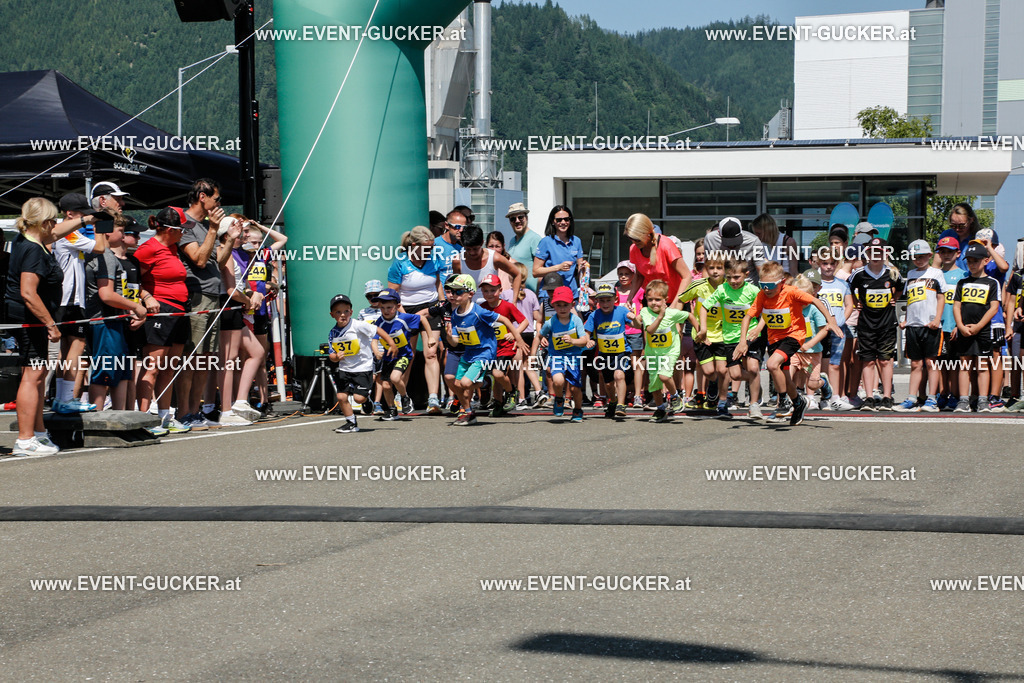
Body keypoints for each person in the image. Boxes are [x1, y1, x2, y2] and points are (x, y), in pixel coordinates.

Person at [7, 198, 96, 456]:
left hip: (33, 318)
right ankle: (25, 439)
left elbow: (58, 232)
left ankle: (38, 432)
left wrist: (86, 219)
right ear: (44, 222)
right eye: (53, 219)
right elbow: (28, 292)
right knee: (33, 375)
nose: (56, 224)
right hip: (30, 318)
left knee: (37, 374)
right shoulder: (34, 249)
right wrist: (50, 324)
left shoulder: (32, 239)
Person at [735, 261, 841, 426]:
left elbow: (816, 301)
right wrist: (743, 341)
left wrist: (831, 321)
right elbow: (748, 316)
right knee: (785, 376)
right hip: (775, 338)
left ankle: (783, 400)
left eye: (770, 285)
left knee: (771, 364)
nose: (767, 289)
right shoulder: (763, 295)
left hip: (794, 336)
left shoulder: (791, 292)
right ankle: (798, 402)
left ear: (781, 282)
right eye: (763, 284)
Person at [134, 207, 193, 434]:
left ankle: (164, 415)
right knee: (153, 367)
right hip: (160, 309)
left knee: (169, 367)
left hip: (180, 310)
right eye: (181, 230)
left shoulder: (173, 247)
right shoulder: (148, 249)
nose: (184, 234)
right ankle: (143, 417)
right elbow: (130, 279)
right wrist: (146, 297)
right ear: (169, 229)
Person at [83, 217, 149, 411]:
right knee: (104, 374)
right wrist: (136, 307)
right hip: (103, 321)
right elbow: (107, 294)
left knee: (121, 373)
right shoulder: (104, 256)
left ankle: (121, 418)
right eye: (121, 231)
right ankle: (96, 419)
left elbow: (119, 292)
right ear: (108, 233)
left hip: (117, 321)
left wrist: (130, 310)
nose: (123, 236)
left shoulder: (109, 256)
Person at [443, 274, 527, 426]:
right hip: (469, 354)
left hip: (484, 353)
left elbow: (505, 320)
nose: (454, 295)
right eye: (452, 292)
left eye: (458, 292)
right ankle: (469, 413)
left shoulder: (479, 311)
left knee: (466, 383)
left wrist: (518, 339)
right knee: (456, 384)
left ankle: (489, 384)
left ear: (470, 294)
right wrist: (449, 337)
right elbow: (456, 343)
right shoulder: (455, 315)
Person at [176, 178, 227, 427]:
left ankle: (196, 412)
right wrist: (214, 230)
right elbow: (198, 259)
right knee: (192, 357)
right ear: (202, 197)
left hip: (213, 294)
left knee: (206, 358)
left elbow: (217, 257)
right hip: (196, 296)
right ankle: (184, 411)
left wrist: (229, 239)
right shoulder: (185, 225)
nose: (219, 204)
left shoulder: (208, 226)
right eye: (217, 199)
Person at [54, 192, 108, 413]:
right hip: (70, 299)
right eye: (82, 215)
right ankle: (66, 398)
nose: (87, 218)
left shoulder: (65, 233)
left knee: (65, 350)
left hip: (65, 299)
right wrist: (100, 225)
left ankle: (60, 397)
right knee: (76, 346)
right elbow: (101, 247)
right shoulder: (68, 234)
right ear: (69, 214)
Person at [388, 225, 445, 414]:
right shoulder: (400, 263)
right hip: (407, 311)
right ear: (413, 245)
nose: (430, 251)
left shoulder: (434, 260)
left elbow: (438, 284)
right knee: (408, 355)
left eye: (432, 247)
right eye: (426, 248)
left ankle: (433, 399)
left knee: (431, 352)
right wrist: (405, 315)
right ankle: (401, 396)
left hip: (431, 308)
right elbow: (393, 294)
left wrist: (441, 304)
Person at [216, 217, 264, 427]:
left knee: (257, 352)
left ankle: (240, 401)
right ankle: (226, 410)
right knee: (229, 359)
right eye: (241, 231)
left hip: (237, 307)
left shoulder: (240, 254)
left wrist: (252, 294)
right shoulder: (224, 253)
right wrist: (247, 300)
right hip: (228, 307)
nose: (245, 234)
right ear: (228, 234)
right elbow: (229, 290)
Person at [848, 238, 904, 411]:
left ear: (885, 252)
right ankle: (869, 397)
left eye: (879, 251)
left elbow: (901, 287)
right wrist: (856, 302)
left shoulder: (892, 273)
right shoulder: (859, 274)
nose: (876, 255)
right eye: (872, 252)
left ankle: (887, 396)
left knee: (885, 361)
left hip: (886, 324)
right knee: (867, 361)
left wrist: (894, 299)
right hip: (866, 324)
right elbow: (848, 289)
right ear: (867, 253)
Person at [704, 259, 765, 419]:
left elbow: (767, 310)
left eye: (737, 277)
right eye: (729, 277)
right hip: (730, 338)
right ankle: (755, 382)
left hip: (751, 335)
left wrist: (758, 328)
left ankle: (754, 406)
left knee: (752, 368)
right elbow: (704, 307)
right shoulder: (722, 290)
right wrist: (703, 328)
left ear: (746, 275)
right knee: (736, 375)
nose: (733, 281)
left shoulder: (752, 290)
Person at [328, 294, 396, 433]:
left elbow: (378, 330)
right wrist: (336, 357)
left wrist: (391, 343)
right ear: (332, 315)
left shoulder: (358, 325)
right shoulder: (333, 333)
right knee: (341, 396)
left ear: (351, 312)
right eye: (338, 312)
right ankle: (351, 423)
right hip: (345, 368)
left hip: (362, 367)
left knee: (359, 399)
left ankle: (367, 401)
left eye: (346, 311)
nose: (343, 315)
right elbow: (331, 355)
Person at [628, 279, 692, 423]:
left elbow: (689, 316)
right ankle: (660, 409)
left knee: (664, 376)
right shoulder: (644, 311)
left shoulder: (670, 313)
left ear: (665, 300)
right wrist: (634, 319)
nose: (654, 303)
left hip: (670, 351)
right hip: (653, 354)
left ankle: (675, 397)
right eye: (650, 299)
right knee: (655, 386)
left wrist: (701, 331)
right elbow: (639, 324)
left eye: (658, 300)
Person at [894, 240, 945, 412]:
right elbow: (910, 301)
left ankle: (932, 399)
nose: (919, 259)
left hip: (930, 325)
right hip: (913, 326)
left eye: (922, 256)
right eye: (915, 257)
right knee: (915, 364)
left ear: (930, 255)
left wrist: (937, 319)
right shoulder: (911, 274)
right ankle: (911, 398)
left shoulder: (936, 273)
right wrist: (906, 319)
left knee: (931, 363)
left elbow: (941, 297)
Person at [952, 241, 1001, 413]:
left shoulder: (992, 283)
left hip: (983, 330)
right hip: (965, 329)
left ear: (986, 261)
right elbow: (956, 306)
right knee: (964, 364)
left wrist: (979, 326)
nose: (972, 264)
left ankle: (982, 400)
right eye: (969, 261)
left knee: (982, 365)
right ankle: (963, 400)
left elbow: (994, 307)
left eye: (976, 261)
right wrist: (960, 326)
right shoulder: (962, 283)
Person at [478, 273, 527, 416]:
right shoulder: (481, 308)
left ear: (500, 290)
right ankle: (498, 404)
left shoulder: (507, 306)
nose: (489, 294)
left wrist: (514, 333)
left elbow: (524, 321)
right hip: (490, 349)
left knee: (497, 373)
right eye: (486, 291)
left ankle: (512, 392)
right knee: (496, 378)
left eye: (493, 290)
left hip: (505, 347)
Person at [538, 285, 588, 423]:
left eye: (565, 305)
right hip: (557, 357)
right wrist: (540, 342)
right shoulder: (550, 322)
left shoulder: (576, 320)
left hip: (574, 358)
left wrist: (573, 341)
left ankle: (577, 409)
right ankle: (559, 399)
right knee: (558, 380)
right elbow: (539, 335)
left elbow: (584, 340)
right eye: (558, 305)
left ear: (572, 305)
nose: (562, 308)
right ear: (553, 305)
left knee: (575, 388)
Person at [685, 253, 727, 413]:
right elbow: (683, 302)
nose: (715, 271)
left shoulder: (729, 287)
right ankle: (713, 384)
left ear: (725, 270)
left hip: (723, 334)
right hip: (702, 334)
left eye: (719, 268)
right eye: (711, 268)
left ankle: (722, 401)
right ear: (705, 269)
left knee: (723, 369)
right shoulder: (698, 286)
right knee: (709, 371)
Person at [371, 290, 422, 420]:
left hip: (404, 355)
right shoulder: (379, 322)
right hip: (388, 357)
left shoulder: (404, 318)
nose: (386, 311)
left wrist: (432, 337)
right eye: (382, 308)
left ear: (397, 306)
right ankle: (392, 409)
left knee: (395, 378)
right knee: (386, 385)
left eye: (389, 307)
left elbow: (422, 318)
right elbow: (374, 339)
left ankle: (405, 398)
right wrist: (376, 351)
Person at [584, 283, 631, 418]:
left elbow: (637, 325)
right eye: (602, 300)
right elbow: (587, 332)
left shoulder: (621, 311)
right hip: (604, 353)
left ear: (615, 299)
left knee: (619, 375)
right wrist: (589, 340)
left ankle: (621, 405)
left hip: (621, 350)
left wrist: (635, 318)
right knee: (608, 383)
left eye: (608, 300)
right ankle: (613, 402)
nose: (605, 303)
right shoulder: (595, 315)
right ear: (597, 301)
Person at [816, 248, 855, 411]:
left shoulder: (843, 284)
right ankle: (823, 397)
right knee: (820, 363)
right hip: (820, 329)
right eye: (825, 263)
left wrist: (840, 320)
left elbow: (849, 305)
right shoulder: (816, 284)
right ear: (819, 264)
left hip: (838, 330)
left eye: (832, 263)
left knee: (835, 364)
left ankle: (836, 397)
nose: (828, 267)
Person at [624, 212, 690, 306]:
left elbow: (686, 276)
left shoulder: (666, 245)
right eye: (630, 238)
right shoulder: (634, 249)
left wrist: (675, 305)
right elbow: (639, 276)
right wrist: (630, 298)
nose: (634, 242)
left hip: (675, 300)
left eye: (637, 239)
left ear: (647, 233)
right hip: (652, 302)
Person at [935, 236, 967, 411]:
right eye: (943, 251)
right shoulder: (935, 274)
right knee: (941, 364)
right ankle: (943, 394)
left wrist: (958, 324)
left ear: (958, 253)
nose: (946, 255)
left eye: (950, 251)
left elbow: (964, 305)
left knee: (954, 364)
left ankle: (955, 396)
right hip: (938, 327)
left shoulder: (963, 275)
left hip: (954, 327)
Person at [504, 262, 543, 408]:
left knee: (517, 368)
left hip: (514, 333)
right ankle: (538, 391)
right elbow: (535, 317)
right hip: (528, 333)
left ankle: (520, 398)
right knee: (527, 365)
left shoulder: (506, 294)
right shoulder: (532, 294)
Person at [453, 224, 522, 304]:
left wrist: (514, 301)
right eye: (468, 249)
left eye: (475, 249)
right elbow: (457, 286)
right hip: (469, 309)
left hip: (493, 308)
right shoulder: (457, 261)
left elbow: (517, 274)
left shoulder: (495, 258)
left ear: (482, 243)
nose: (472, 252)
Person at [791, 273, 831, 410]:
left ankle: (824, 383)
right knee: (787, 376)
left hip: (813, 352)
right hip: (795, 351)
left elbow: (824, 330)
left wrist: (810, 343)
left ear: (811, 296)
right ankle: (789, 402)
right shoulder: (791, 309)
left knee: (812, 384)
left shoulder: (814, 309)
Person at [534, 206, 587, 297]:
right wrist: (558, 267)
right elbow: (535, 272)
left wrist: (584, 267)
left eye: (566, 219)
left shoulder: (576, 241)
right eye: (559, 220)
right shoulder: (546, 241)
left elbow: (580, 270)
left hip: (571, 294)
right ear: (553, 222)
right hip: (551, 294)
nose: (563, 222)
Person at [615, 260, 646, 408]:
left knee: (636, 363)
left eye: (627, 274)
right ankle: (618, 395)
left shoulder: (639, 292)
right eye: (621, 274)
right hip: (618, 333)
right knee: (619, 365)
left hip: (634, 332)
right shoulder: (614, 291)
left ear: (633, 275)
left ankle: (638, 395)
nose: (623, 277)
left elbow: (643, 312)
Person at [703, 216, 767, 284]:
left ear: (741, 230)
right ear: (719, 233)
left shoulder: (753, 241)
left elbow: (760, 267)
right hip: (722, 286)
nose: (732, 245)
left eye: (735, 241)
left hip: (748, 285)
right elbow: (707, 266)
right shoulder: (710, 239)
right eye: (727, 242)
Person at [505, 202, 542, 292]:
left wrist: (536, 295)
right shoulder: (512, 241)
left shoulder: (534, 239)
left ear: (526, 218)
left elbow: (541, 269)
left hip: (530, 294)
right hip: (516, 293)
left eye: (520, 217)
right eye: (513, 219)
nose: (517, 221)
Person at [751, 213, 799, 278]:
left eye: (759, 233)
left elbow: (794, 271)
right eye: (755, 233)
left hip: (785, 283)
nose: (757, 236)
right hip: (765, 282)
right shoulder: (757, 244)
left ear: (768, 231)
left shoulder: (788, 242)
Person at [434, 209, 466, 282]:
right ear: (447, 225)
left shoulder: (464, 247)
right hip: (440, 290)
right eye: (457, 226)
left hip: (457, 290)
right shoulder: (435, 244)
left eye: (464, 227)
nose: (461, 230)